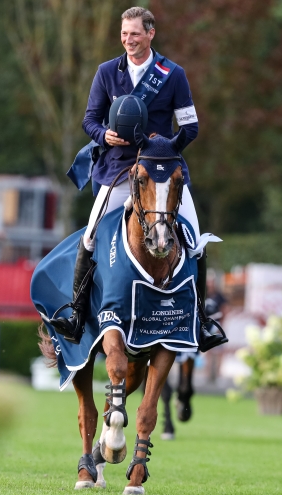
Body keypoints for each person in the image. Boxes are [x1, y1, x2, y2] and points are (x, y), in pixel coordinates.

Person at [51, 7, 228, 350]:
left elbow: (189, 127)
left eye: (135, 34)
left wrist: (166, 146)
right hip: (117, 170)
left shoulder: (173, 74)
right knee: (89, 236)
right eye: (124, 34)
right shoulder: (106, 72)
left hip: (160, 171)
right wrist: (104, 136)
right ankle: (75, 312)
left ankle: (202, 320)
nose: (128, 40)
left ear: (150, 34)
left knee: (195, 239)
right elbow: (89, 120)